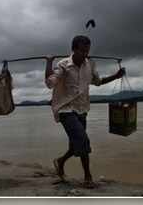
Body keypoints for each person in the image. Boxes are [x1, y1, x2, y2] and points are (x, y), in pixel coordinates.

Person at [44, 35, 125, 188]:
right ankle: (88, 177)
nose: (85, 54)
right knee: (82, 140)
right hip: (65, 109)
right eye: (82, 51)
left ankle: (60, 161)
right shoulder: (63, 65)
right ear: (74, 49)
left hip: (82, 108)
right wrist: (49, 62)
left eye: (87, 51)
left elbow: (98, 82)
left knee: (75, 146)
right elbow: (50, 83)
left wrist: (116, 76)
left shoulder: (90, 64)